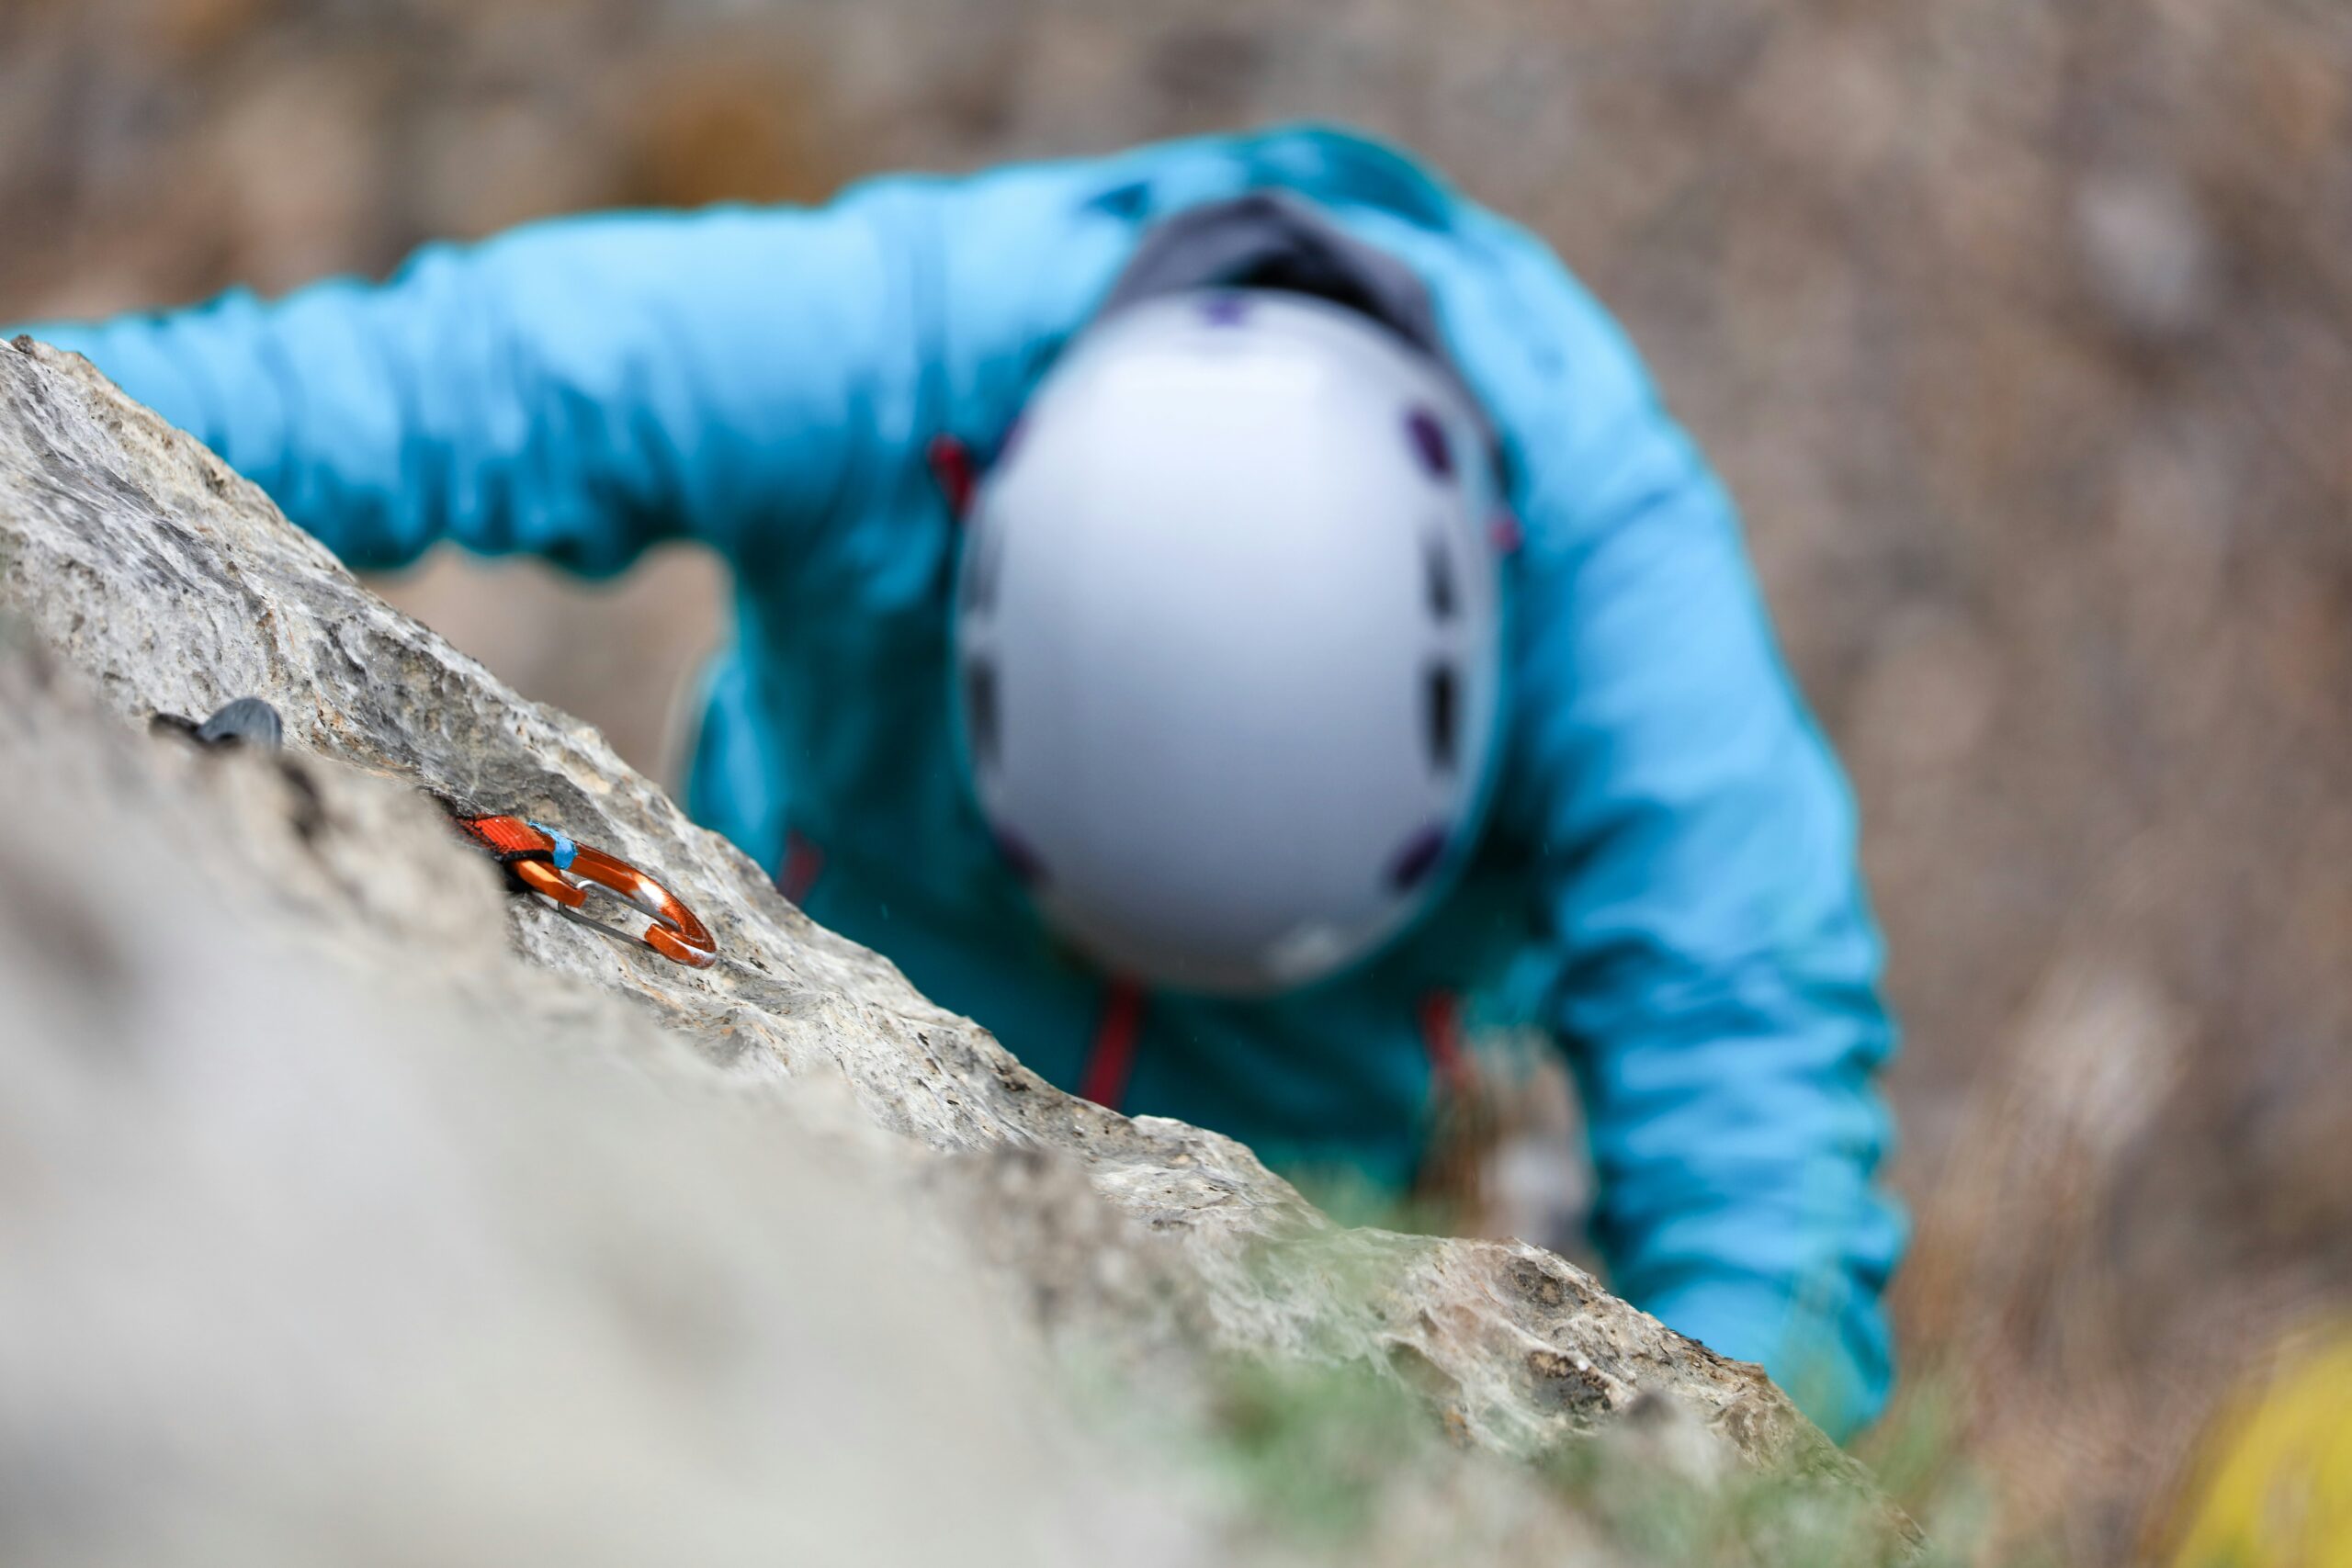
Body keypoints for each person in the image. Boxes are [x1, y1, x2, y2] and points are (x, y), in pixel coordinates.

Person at [14, 123, 1905, 1439]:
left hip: (1318, 1164)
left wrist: (1708, 1452)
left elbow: (1762, 1129)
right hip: (794, 972)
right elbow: (431, 385)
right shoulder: (879, 347)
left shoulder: (1624, 608)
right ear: (978, 559)